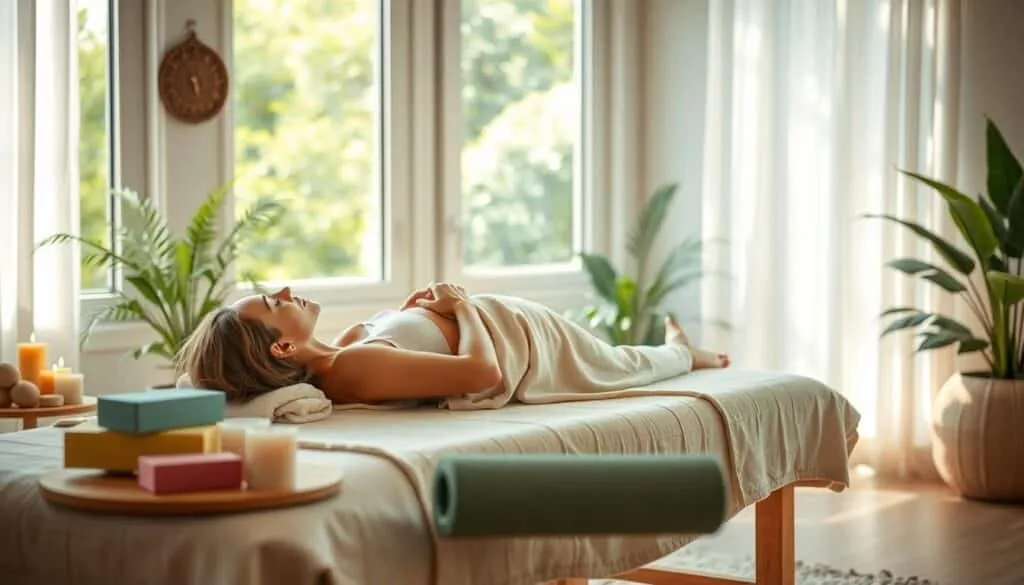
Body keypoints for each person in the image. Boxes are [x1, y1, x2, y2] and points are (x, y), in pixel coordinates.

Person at [176, 283, 729, 405]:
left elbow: (414, 347)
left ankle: (677, 348)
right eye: (275, 304)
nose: (286, 291)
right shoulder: (350, 368)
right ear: (281, 351)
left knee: (619, 356)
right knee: (623, 363)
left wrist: (414, 308)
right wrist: (461, 306)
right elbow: (480, 374)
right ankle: (685, 352)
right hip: (524, 343)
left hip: (511, 321)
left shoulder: (344, 347)